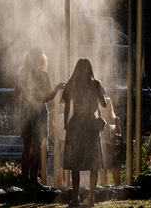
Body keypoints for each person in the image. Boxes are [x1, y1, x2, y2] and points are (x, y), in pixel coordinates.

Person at [15, 43, 65, 189]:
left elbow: (16, 94)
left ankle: (24, 181)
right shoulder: (43, 74)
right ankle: (33, 180)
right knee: (37, 147)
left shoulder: (22, 73)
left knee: (26, 147)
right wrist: (58, 87)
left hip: (25, 109)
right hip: (38, 111)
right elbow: (50, 96)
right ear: (41, 58)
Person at [61, 58, 106, 207]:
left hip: (76, 122)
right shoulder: (96, 84)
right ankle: (91, 198)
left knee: (75, 162)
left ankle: (75, 198)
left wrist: (66, 124)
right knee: (93, 162)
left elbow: (67, 107)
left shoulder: (72, 84)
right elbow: (103, 104)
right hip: (91, 124)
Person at [98, 96, 123, 186]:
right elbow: (97, 136)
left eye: (107, 105)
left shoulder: (116, 120)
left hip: (114, 149)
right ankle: (103, 194)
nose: (105, 107)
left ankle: (119, 192)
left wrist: (115, 134)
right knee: (103, 176)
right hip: (103, 148)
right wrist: (107, 141)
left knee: (117, 176)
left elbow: (120, 137)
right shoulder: (99, 120)